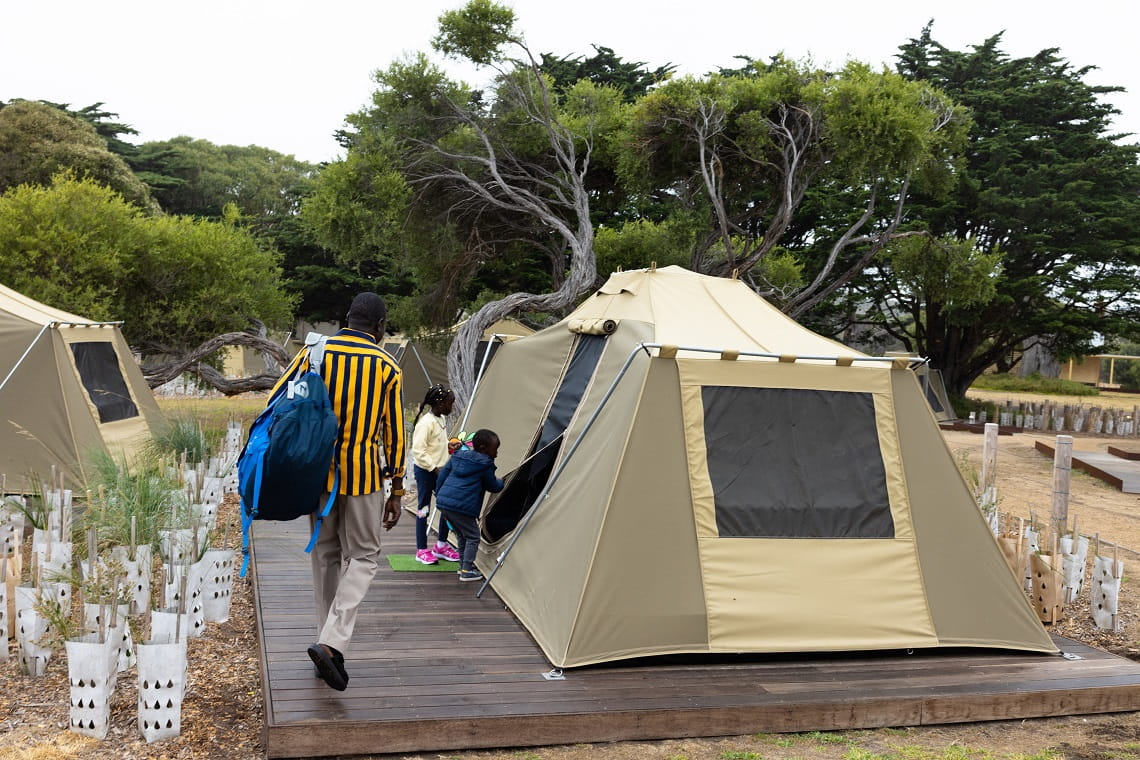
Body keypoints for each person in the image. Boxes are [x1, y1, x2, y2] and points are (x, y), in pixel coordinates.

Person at [270, 292, 405, 691]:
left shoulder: (315, 354)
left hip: (317, 476)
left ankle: (325, 648)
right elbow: (394, 433)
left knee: (326, 556)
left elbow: (278, 398)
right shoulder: (386, 367)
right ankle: (331, 643)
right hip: (363, 477)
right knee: (363, 557)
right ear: (379, 327)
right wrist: (396, 487)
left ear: (348, 318)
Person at [435, 429, 504, 582]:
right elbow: (493, 486)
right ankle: (467, 570)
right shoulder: (485, 464)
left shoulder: (457, 456)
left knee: (461, 534)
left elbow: (442, 476)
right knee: (473, 536)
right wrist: (502, 482)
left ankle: (462, 566)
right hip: (463, 507)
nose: (496, 454)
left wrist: (439, 495)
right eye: (495, 450)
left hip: (444, 502)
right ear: (483, 448)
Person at [410, 384, 461, 565]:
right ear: (439, 404)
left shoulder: (440, 419)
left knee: (446, 506)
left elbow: (435, 444)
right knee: (424, 509)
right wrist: (435, 468)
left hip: (440, 471)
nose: (451, 407)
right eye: (449, 404)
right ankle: (421, 550)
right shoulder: (426, 423)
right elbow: (419, 451)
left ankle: (441, 546)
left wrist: (448, 446)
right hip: (427, 472)